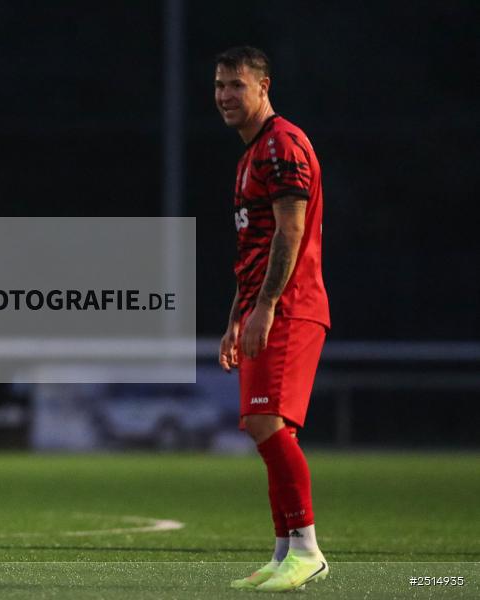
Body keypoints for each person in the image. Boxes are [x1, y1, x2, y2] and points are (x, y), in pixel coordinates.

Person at [214, 46, 331, 592]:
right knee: (264, 429)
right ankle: (285, 549)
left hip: (291, 306)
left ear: (264, 87)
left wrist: (263, 308)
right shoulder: (249, 156)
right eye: (218, 86)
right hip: (264, 308)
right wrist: (236, 318)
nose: (224, 96)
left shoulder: (282, 144)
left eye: (236, 85)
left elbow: (290, 231)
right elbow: (253, 245)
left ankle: (307, 549)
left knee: (268, 425)